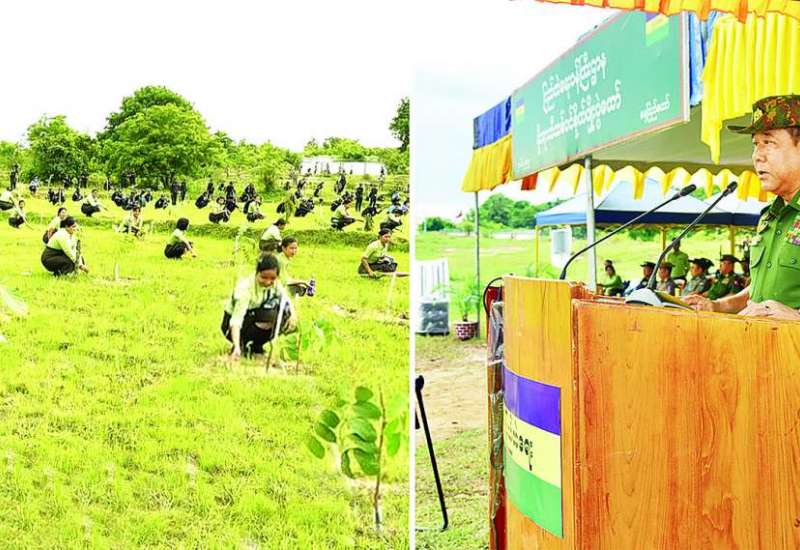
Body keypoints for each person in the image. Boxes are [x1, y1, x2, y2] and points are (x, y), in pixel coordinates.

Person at [685, 95, 800, 319]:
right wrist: (716, 306)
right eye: (755, 145)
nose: (757, 156)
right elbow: (758, 292)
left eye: (769, 143)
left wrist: (796, 317)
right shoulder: (769, 217)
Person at [221, 254, 294, 359]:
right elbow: (236, 319)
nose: (268, 282)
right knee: (269, 315)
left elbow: (285, 299)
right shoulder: (245, 289)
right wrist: (236, 346)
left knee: (282, 315)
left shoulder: (275, 284)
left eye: (272, 278)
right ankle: (240, 344)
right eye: (263, 277)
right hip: (232, 324)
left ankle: (256, 346)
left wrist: (292, 315)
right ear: (257, 273)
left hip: (254, 315)